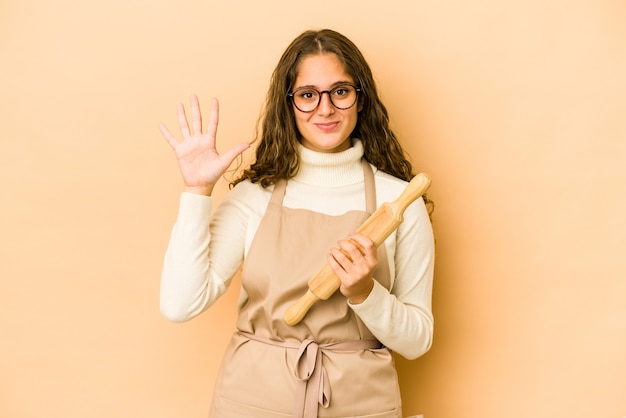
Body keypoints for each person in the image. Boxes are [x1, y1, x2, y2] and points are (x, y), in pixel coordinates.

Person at [159, 28, 435, 418]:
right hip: (249, 402)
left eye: (340, 91)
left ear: (361, 99)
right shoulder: (252, 197)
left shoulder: (400, 202)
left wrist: (363, 293)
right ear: (288, 105)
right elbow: (179, 304)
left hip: (361, 406)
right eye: (308, 95)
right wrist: (197, 191)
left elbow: (417, 341)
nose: (325, 109)